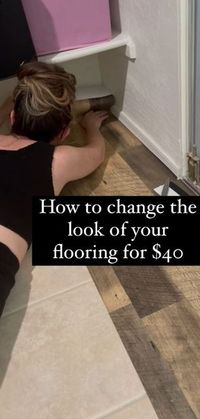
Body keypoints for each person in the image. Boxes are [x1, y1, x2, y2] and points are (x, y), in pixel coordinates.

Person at [0, 61, 108, 317]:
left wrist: (11, 102)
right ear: (64, 133)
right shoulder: (57, 160)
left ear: (12, 117)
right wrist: (92, 128)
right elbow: (97, 152)